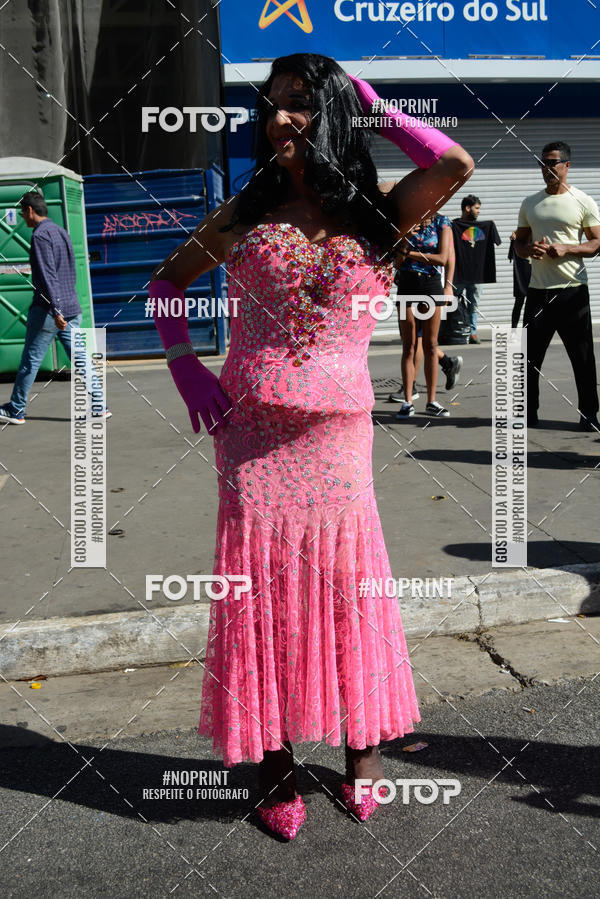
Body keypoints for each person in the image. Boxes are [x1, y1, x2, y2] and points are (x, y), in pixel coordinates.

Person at [149, 53, 473, 839]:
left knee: (347, 586)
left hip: (338, 439)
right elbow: (165, 285)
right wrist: (187, 365)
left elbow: (456, 162)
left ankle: (364, 748)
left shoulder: (380, 212)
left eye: (300, 104)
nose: (280, 119)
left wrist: (376, 108)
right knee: (262, 597)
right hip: (254, 439)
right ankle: (274, 763)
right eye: (273, 106)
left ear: (332, 115)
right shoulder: (245, 212)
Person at [0, 192, 110, 425]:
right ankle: (99, 406)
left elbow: (49, 276)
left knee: (31, 360)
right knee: (81, 358)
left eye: (22, 212)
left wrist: (56, 310)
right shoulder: (61, 232)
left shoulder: (40, 236)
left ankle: (16, 409)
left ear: (30, 210)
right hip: (71, 307)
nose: (22, 217)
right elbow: (67, 270)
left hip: (49, 311)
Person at [514, 141, 600, 431]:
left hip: (572, 290)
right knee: (528, 358)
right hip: (538, 292)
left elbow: (597, 243)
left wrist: (566, 249)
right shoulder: (530, 203)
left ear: (567, 166)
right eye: (542, 163)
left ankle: (589, 414)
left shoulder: (582, 200)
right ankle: (528, 414)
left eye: (553, 163)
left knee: (583, 357)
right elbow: (519, 245)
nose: (546, 168)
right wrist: (530, 251)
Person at [391, 213, 462, 418]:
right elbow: (396, 264)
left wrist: (409, 252)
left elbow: (442, 257)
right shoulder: (405, 222)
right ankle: (407, 401)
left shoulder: (442, 222)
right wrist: (404, 240)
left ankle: (432, 401)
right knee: (409, 345)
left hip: (431, 284)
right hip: (406, 284)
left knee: (430, 345)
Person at [451, 194, 501, 343]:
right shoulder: (453, 226)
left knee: (474, 304)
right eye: (477, 208)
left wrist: (491, 226)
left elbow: (497, 242)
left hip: (477, 274)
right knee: (452, 302)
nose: (479, 211)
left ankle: (472, 332)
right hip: (458, 273)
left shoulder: (485, 226)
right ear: (467, 208)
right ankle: (453, 331)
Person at [508, 230, 531, 328]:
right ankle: (514, 330)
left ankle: (528, 329)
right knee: (519, 301)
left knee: (531, 304)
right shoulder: (522, 231)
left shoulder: (539, 231)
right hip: (522, 270)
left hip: (535, 270)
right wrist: (514, 238)